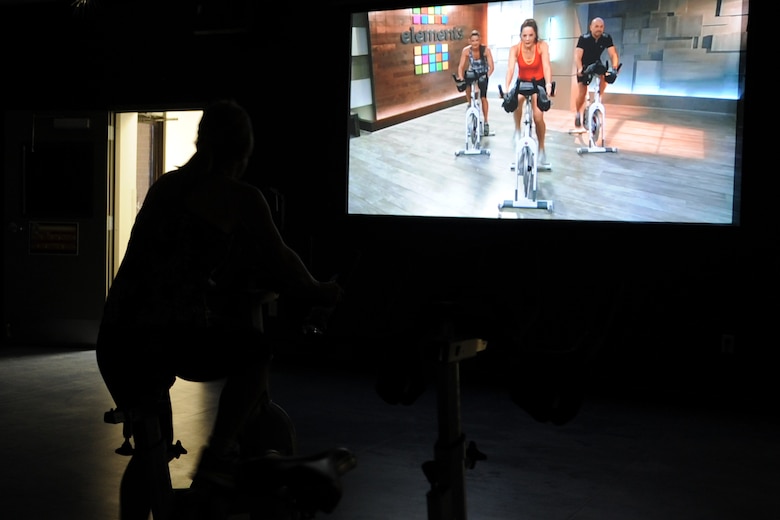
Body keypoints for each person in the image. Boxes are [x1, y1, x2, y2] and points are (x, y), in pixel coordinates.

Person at [96, 99, 343, 519]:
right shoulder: (240, 196)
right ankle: (217, 461)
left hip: (118, 339)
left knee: (151, 449)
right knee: (255, 352)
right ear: (244, 153)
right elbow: (282, 261)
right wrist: (323, 291)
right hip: (166, 336)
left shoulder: (167, 186)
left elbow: (167, 264)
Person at [504, 18, 554, 169]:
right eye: (524, 35)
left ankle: (541, 148)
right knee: (515, 101)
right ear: (520, 36)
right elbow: (511, 69)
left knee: (538, 117)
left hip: (538, 83)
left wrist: (548, 84)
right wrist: (506, 88)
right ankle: (518, 130)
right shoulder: (515, 49)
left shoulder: (542, 46)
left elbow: (546, 66)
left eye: (530, 35)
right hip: (522, 82)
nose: (527, 39)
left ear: (535, 35)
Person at [573, 17, 620, 128]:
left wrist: (614, 68)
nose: (599, 29)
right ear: (591, 27)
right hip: (584, 65)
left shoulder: (606, 38)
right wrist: (580, 69)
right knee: (582, 92)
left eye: (601, 26)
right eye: (596, 26)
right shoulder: (584, 38)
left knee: (606, 75)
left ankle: (598, 98)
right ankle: (578, 113)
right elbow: (577, 55)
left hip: (596, 63)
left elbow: (613, 54)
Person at [456, 29, 495, 136]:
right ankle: (470, 104)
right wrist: (460, 77)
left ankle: (486, 121)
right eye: (473, 41)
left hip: (483, 73)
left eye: (477, 40)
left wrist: (486, 76)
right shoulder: (466, 51)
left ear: (480, 40)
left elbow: (492, 67)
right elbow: (460, 66)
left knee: (483, 97)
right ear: (469, 41)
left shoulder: (485, 50)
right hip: (472, 72)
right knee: (466, 83)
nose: (475, 43)